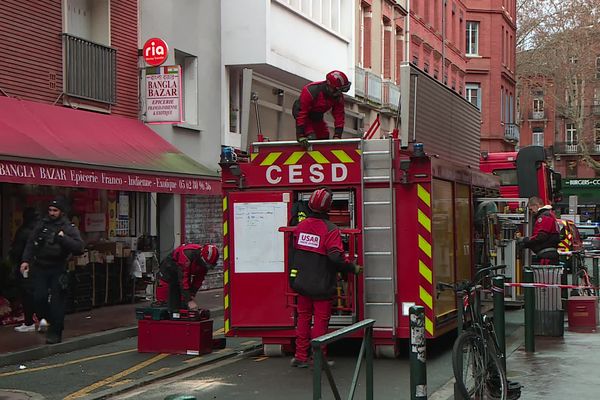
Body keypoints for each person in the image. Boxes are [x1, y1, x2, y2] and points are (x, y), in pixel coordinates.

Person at [288, 187, 361, 368]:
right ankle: (318, 358)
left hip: (301, 282)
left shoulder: (300, 227)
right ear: (328, 207)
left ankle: (300, 356)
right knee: (320, 321)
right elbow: (336, 256)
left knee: (304, 318)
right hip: (321, 284)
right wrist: (353, 267)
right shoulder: (330, 229)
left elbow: (294, 252)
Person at [20, 197, 84, 344]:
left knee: (57, 303)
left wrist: (63, 239)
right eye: (50, 210)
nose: (52, 213)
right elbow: (31, 243)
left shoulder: (68, 227)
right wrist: (25, 260)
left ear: (61, 212)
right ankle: (49, 321)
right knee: (39, 298)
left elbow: (79, 247)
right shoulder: (42, 225)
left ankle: (55, 332)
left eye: (55, 210)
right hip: (41, 267)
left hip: (58, 268)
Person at [10, 207, 47, 333]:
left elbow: (17, 250)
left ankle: (29, 321)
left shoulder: (24, 231)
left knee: (27, 294)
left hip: (25, 267)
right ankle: (41, 319)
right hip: (39, 266)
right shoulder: (40, 230)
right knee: (36, 293)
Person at [293, 70, 351, 147]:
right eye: (338, 90)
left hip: (317, 115)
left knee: (324, 138)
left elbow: (339, 116)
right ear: (330, 86)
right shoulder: (311, 91)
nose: (339, 94)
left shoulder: (337, 96)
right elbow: (302, 113)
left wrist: (337, 136)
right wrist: (300, 135)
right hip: (302, 113)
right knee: (311, 138)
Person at [155, 244, 219, 312]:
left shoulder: (204, 264)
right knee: (169, 299)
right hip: (169, 269)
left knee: (183, 301)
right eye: (206, 264)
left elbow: (199, 279)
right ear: (201, 258)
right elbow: (183, 279)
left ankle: (178, 311)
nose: (206, 267)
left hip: (181, 271)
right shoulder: (186, 255)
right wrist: (189, 300)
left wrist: (192, 294)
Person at [517, 196, 560, 265]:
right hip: (548, 255)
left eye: (531, 209)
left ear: (537, 205)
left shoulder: (544, 217)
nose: (531, 212)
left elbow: (541, 237)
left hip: (547, 257)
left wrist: (526, 240)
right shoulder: (549, 215)